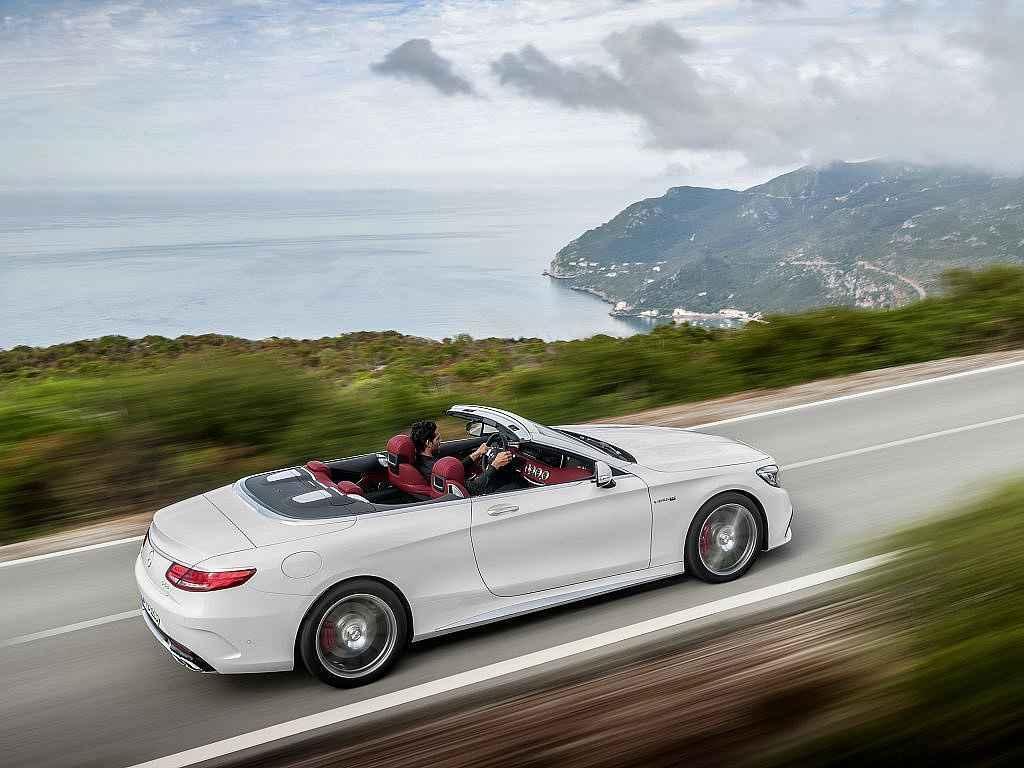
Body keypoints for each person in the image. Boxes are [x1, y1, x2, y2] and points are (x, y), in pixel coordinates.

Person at [410, 420, 517, 496]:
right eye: (437, 438)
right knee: (516, 485)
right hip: (472, 496)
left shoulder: (424, 460)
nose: (441, 441)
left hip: (463, 489)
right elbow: (474, 489)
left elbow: (453, 470)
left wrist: (477, 453)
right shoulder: (433, 469)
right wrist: (495, 465)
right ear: (428, 443)